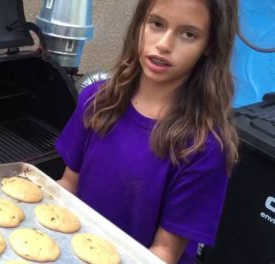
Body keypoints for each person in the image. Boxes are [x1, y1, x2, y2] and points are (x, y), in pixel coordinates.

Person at [55, 0, 239, 263]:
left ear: (209, 45)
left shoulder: (202, 147)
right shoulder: (96, 101)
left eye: (188, 34)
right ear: (139, 23)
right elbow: (67, 187)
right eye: (156, 24)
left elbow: (164, 252)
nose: (164, 44)